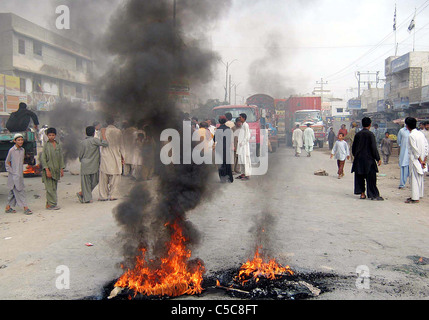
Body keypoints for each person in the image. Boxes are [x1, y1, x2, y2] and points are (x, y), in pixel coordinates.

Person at [351, 117, 383, 201]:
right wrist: (378, 158)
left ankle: (362, 194)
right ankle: (373, 194)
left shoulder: (358, 135)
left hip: (359, 159)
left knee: (360, 177)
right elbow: (373, 148)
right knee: (371, 178)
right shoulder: (371, 135)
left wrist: (356, 156)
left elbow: (353, 148)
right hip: (369, 159)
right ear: (370, 124)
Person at [76, 126, 109, 204]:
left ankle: (83, 194)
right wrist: (104, 134)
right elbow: (105, 143)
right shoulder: (95, 140)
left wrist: (82, 160)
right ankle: (86, 197)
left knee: (85, 182)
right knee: (95, 180)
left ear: (86, 133)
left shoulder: (82, 142)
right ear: (94, 133)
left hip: (85, 164)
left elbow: (80, 155)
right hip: (94, 165)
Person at [4, 134, 33, 215]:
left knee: (12, 192)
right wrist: (12, 172)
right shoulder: (11, 150)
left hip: (20, 175)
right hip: (13, 176)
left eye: (21, 140)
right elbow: (7, 163)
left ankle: (8, 207)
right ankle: (25, 207)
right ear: (14, 141)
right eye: (18, 140)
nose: (20, 142)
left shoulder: (22, 150)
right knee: (20, 191)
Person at [99, 117, 125, 201]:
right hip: (115, 156)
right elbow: (122, 145)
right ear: (114, 122)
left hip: (105, 156)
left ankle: (103, 195)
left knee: (103, 177)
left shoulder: (103, 131)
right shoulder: (118, 132)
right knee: (115, 176)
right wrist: (123, 156)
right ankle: (113, 195)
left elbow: (101, 143)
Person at [405, 117, 428, 204]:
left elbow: (415, 150)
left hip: (416, 160)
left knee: (414, 178)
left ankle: (415, 197)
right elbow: (426, 146)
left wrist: (421, 160)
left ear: (407, 126)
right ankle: (419, 194)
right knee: (420, 178)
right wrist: (424, 159)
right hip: (422, 159)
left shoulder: (411, 136)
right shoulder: (421, 134)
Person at [40, 128, 65, 210]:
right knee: (49, 188)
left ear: (55, 135)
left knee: (54, 187)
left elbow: (61, 157)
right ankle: (52, 204)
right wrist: (47, 170)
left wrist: (61, 168)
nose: (51, 137)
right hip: (49, 170)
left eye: (53, 135)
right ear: (47, 136)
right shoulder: (46, 146)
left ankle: (49, 203)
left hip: (56, 170)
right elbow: (43, 158)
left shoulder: (58, 145)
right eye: (49, 135)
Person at [214, 116, 234, 183]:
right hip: (227, 148)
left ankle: (222, 178)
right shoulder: (228, 129)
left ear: (219, 121)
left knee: (221, 164)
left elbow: (215, 139)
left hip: (219, 148)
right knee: (227, 163)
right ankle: (230, 178)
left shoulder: (218, 129)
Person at [236, 113, 251, 180]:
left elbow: (247, 136)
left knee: (245, 160)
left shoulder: (246, 125)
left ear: (244, 118)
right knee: (241, 160)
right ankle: (242, 174)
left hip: (244, 146)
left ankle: (247, 175)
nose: (240, 119)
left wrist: (243, 143)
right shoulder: (243, 125)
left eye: (240, 117)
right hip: (241, 146)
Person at [397, 124, 410, 189]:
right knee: (403, 168)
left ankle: (413, 184)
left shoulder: (415, 132)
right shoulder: (401, 131)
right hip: (404, 152)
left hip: (412, 154)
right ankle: (402, 184)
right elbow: (399, 141)